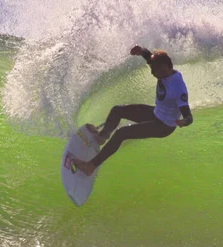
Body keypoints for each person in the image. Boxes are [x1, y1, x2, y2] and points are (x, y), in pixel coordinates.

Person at [73, 45, 193, 176]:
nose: (151, 72)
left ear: (164, 67)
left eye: (154, 69)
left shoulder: (178, 88)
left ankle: (90, 166)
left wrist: (183, 122)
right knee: (117, 110)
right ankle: (101, 137)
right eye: (151, 67)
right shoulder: (163, 69)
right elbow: (149, 57)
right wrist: (141, 51)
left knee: (121, 133)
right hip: (156, 113)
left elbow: (189, 117)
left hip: (164, 126)